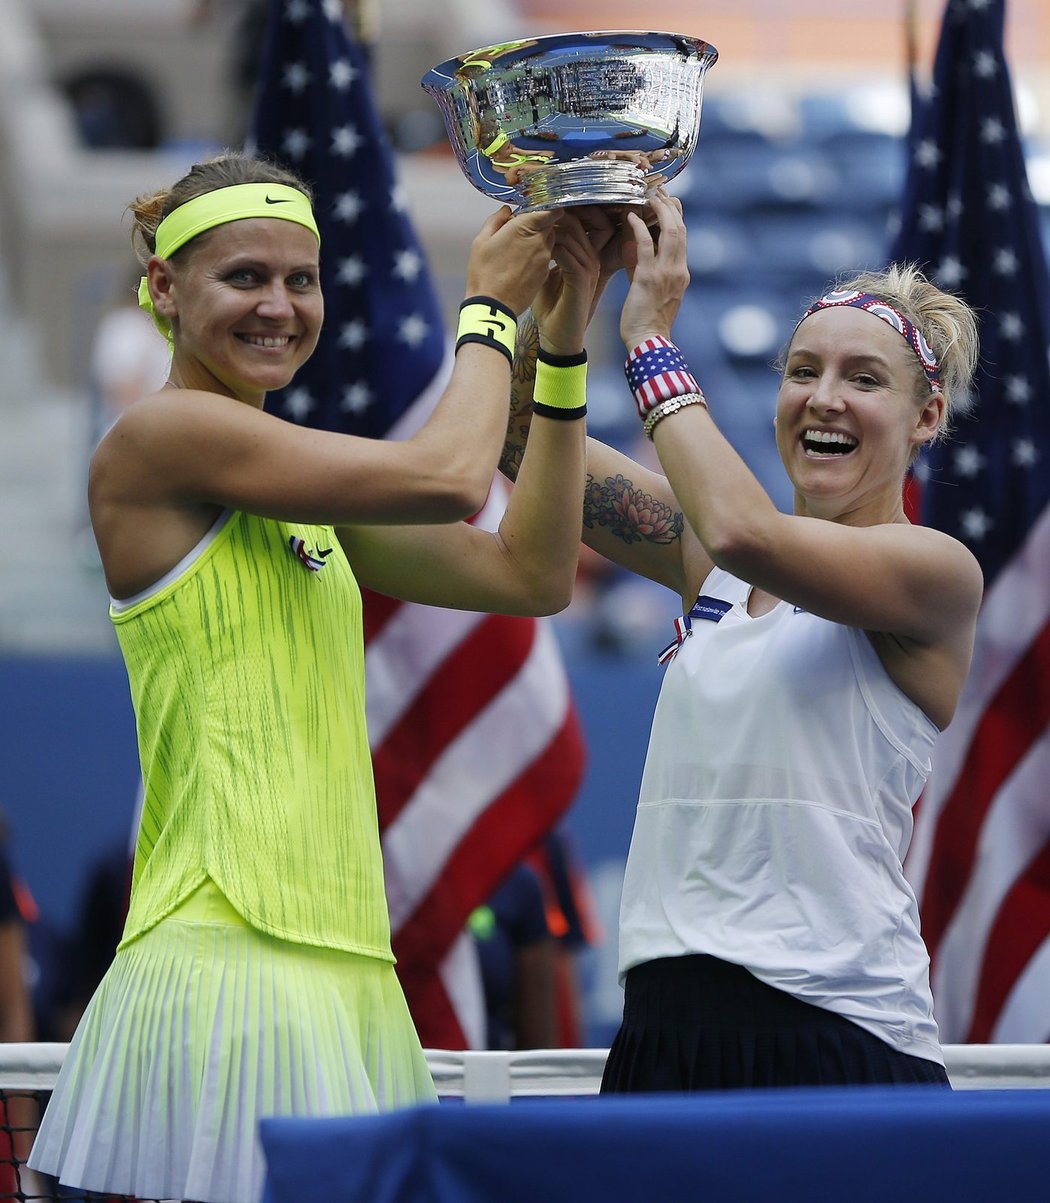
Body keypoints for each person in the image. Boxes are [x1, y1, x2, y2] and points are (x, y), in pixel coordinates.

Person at [28, 149, 600, 1203]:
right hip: (223, 961)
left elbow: (531, 574)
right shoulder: (163, 435)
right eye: (245, 277)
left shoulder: (295, 491)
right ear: (163, 288)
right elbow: (447, 477)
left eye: (301, 279)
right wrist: (486, 311)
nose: (281, 307)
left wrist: (557, 347)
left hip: (343, 972)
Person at [502, 190, 983, 1090]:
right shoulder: (712, 557)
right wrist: (565, 312)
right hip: (659, 1030)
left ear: (926, 418)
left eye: (864, 379)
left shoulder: (932, 570)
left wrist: (648, 338)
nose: (823, 397)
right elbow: (515, 433)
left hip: (836, 1029)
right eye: (802, 371)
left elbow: (744, 530)